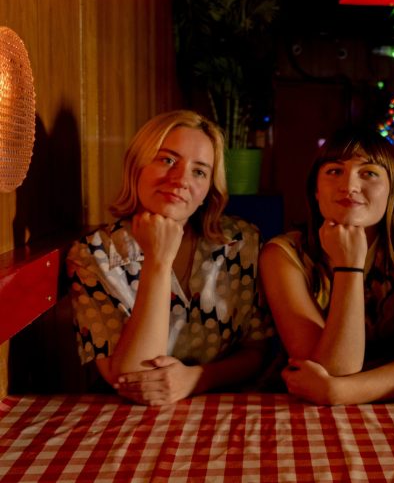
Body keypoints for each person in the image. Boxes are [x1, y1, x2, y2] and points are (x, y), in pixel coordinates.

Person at [66, 110, 273, 406]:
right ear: (137, 166)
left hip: (227, 407)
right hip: (133, 419)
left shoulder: (241, 242)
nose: (181, 180)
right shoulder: (92, 256)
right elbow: (133, 377)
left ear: (208, 191)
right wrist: (158, 262)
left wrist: (196, 379)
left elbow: (257, 352)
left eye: (199, 172)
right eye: (167, 160)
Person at [259, 127, 394, 405]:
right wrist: (349, 267)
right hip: (304, 409)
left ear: (392, 189)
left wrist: (337, 392)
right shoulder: (283, 255)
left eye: (369, 173)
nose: (349, 186)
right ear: (316, 190)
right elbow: (333, 369)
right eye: (335, 171)